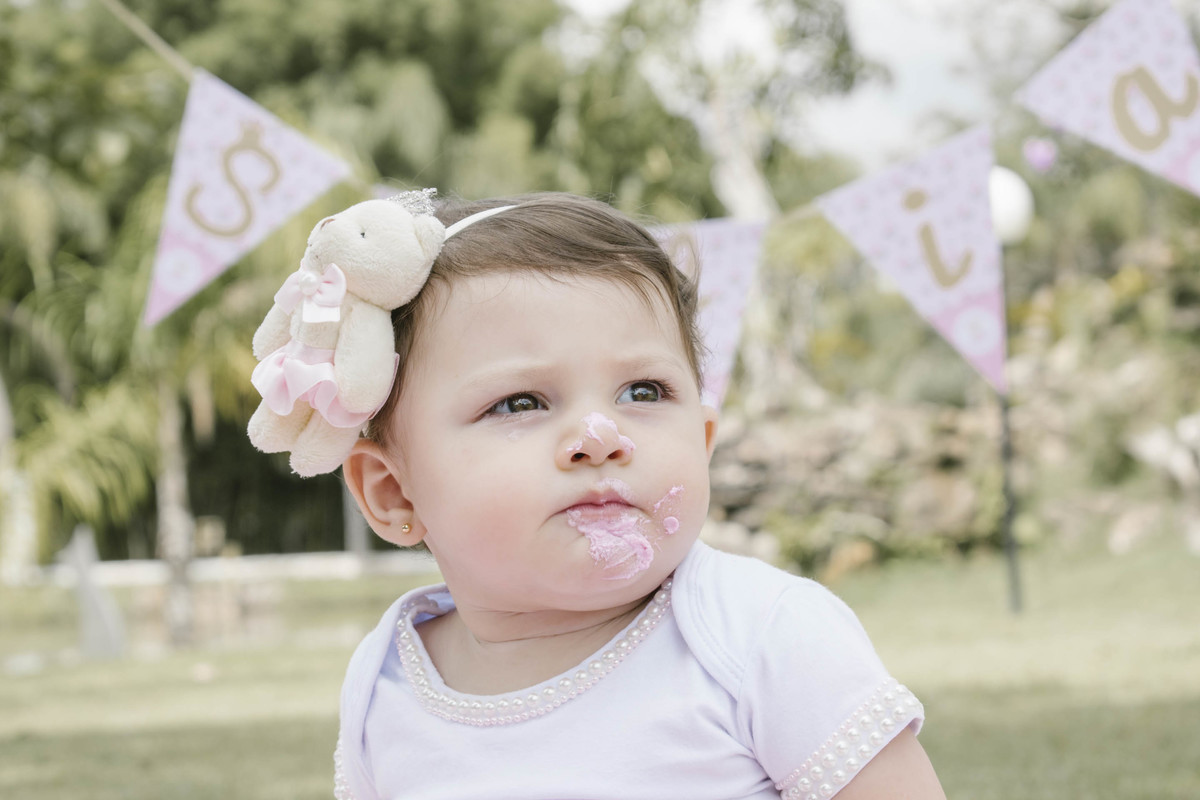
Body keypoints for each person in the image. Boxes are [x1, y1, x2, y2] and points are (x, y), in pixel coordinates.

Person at [311, 192, 944, 799]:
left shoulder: (761, 635)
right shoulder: (385, 681)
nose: (599, 437)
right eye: (520, 403)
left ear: (702, 440)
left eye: (643, 392)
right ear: (394, 493)